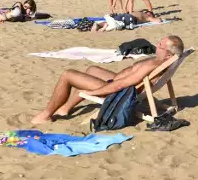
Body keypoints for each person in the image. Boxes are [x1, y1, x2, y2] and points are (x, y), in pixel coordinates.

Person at [30, 36, 184, 124]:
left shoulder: (153, 64)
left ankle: (46, 115)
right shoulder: (165, 62)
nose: (157, 45)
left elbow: (122, 85)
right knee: (91, 70)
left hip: (120, 92)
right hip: (119, 83)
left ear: (169, 55)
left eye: (161, 46)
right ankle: (65, 108)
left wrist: (94, 92)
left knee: (68, 74)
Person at [91, 10, 162, 32]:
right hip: (126, 17)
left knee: (115, 21)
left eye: (149, 12)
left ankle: (102, 25)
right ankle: (103, 26)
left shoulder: (146, 16)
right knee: (116, 23)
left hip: (125, 17)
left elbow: (157, 21)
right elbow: (158, 20)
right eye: (147, 11)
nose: (147, 12)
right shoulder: (147, 16)